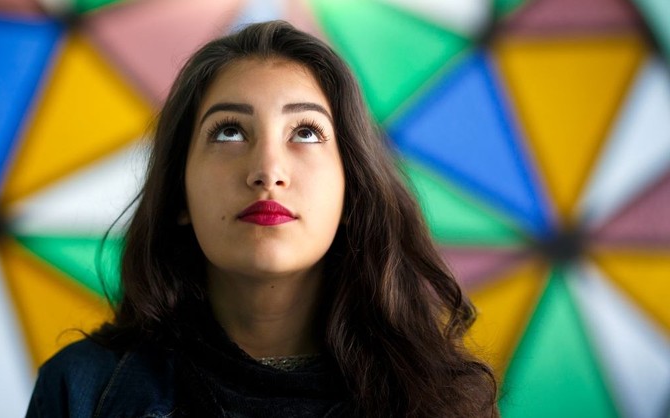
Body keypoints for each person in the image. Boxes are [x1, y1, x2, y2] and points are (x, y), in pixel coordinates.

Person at [26, 20, 498, 417]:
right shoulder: (82, 392)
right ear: (179, 194)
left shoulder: (445, 400)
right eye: (229, 131)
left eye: (307, 132)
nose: (268, 171)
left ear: (352, 189)